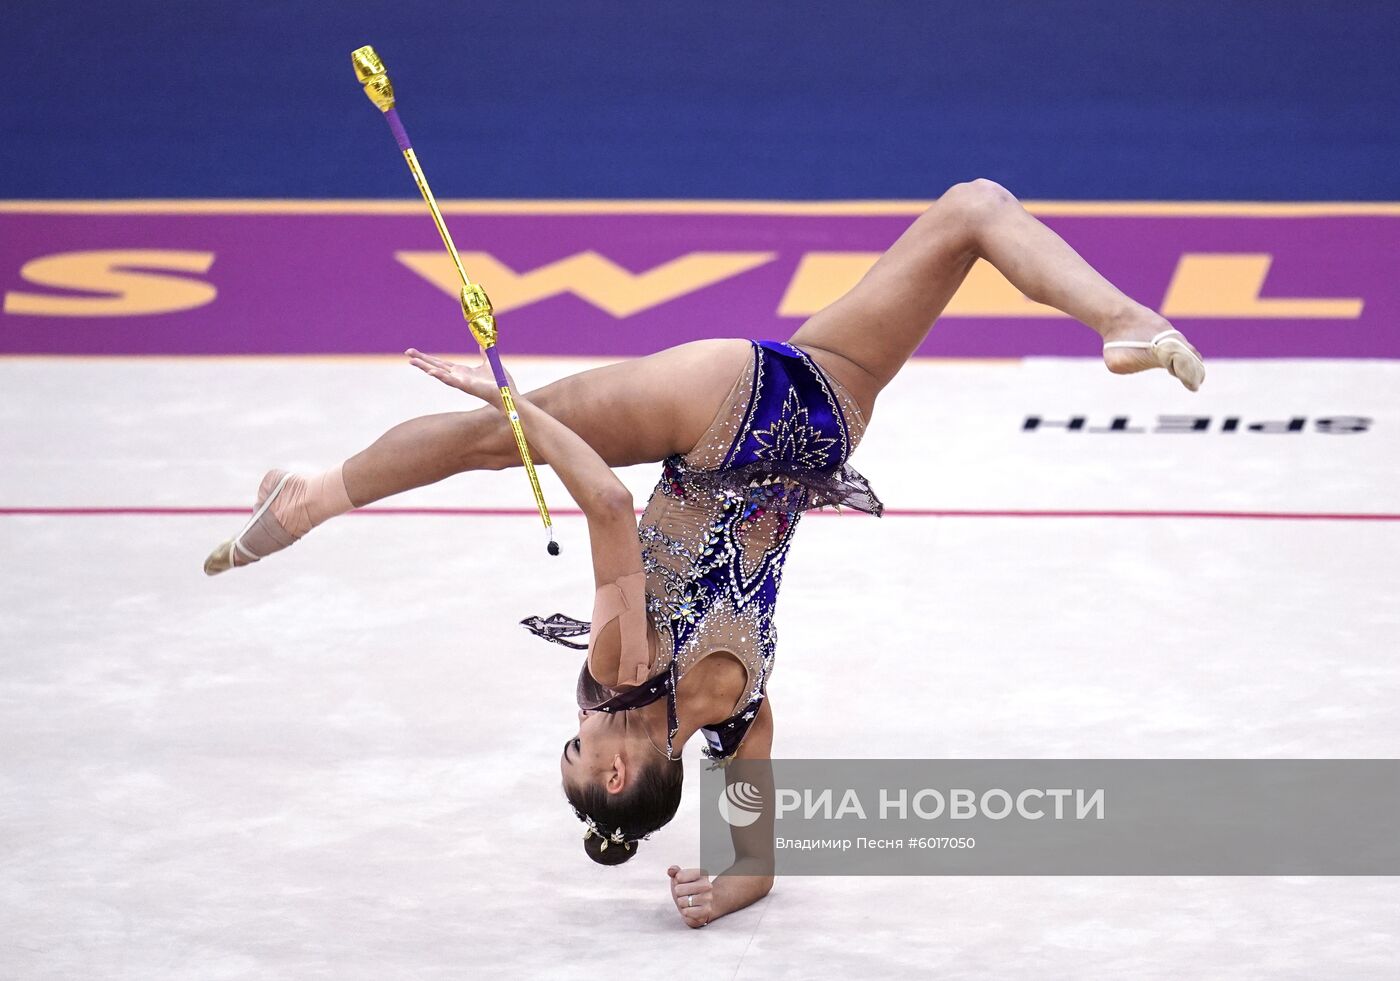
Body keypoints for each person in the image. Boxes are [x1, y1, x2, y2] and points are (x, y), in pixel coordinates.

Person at [203, 179, 1204, 928]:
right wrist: (513, 406)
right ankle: (310, 501)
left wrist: (722, 893)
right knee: (490, 436)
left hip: (820, 426)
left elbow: (755, 862)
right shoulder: (620, 671)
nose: (573, 726)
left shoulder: (738, 713)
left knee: (971, 211)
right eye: (574, 748)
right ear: (614, 770)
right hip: (724, 412)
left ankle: (1126, 323)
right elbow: (603, 499)